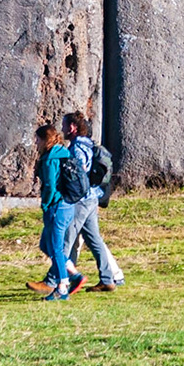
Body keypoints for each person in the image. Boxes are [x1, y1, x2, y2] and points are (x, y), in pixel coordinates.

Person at [59, 110, 124, 291]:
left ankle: (57, 280)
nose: (62, 129)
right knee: (94, 240)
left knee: (66, 239)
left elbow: (78, 174)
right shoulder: (89, 145)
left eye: (64, 125)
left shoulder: (77, 148)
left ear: (72, 128)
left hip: (81, 200)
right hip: (92, 198)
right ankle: (107, 279)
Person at [28, 124, 84, 300]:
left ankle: (62, 287)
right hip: (68, 205)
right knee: (47, 245)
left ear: (45, 139)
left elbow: (51, 185)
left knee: (57, 248)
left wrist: (46, 203)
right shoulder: (64, 152)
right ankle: (73, 274)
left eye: (38, 139)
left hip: (57, 206)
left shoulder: (50, 158)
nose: (35, 142)